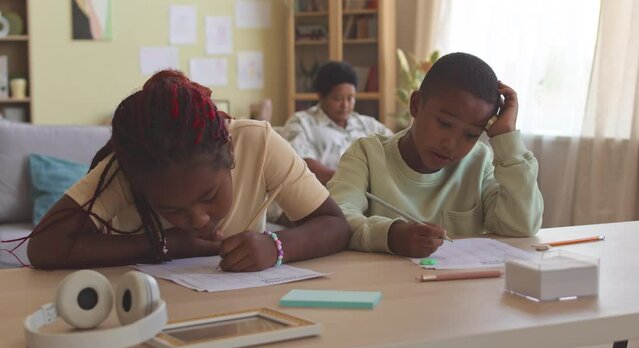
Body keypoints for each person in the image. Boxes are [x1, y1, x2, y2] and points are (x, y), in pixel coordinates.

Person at [26, 70, 349, 271]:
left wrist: (276, 247)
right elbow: (44, 246)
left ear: (230, 151)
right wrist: (167, 244)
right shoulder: (131, 167)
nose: (197, 219)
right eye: (169, 209)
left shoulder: (257, 142)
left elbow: (334, 224)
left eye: (208, 195)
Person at [327, 52, 543, 258]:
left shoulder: (479, 162)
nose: (450, 145)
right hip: (388, 290)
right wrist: (390, 236)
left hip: (457, 290)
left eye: (470, 134)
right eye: (444, 123)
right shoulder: (366, 154)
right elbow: (336, 221)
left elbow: (521, 226)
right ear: (416, 105)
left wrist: (507, 139)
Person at [282, 61, 393, 185]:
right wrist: (349, 181)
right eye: (338, 98)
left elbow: (396, 148)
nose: (345, 105)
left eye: (350, 98)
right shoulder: (301, 122)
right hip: (323, 196)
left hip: (370, 193)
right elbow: (301, 164)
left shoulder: (367, 124)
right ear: (321, 96)